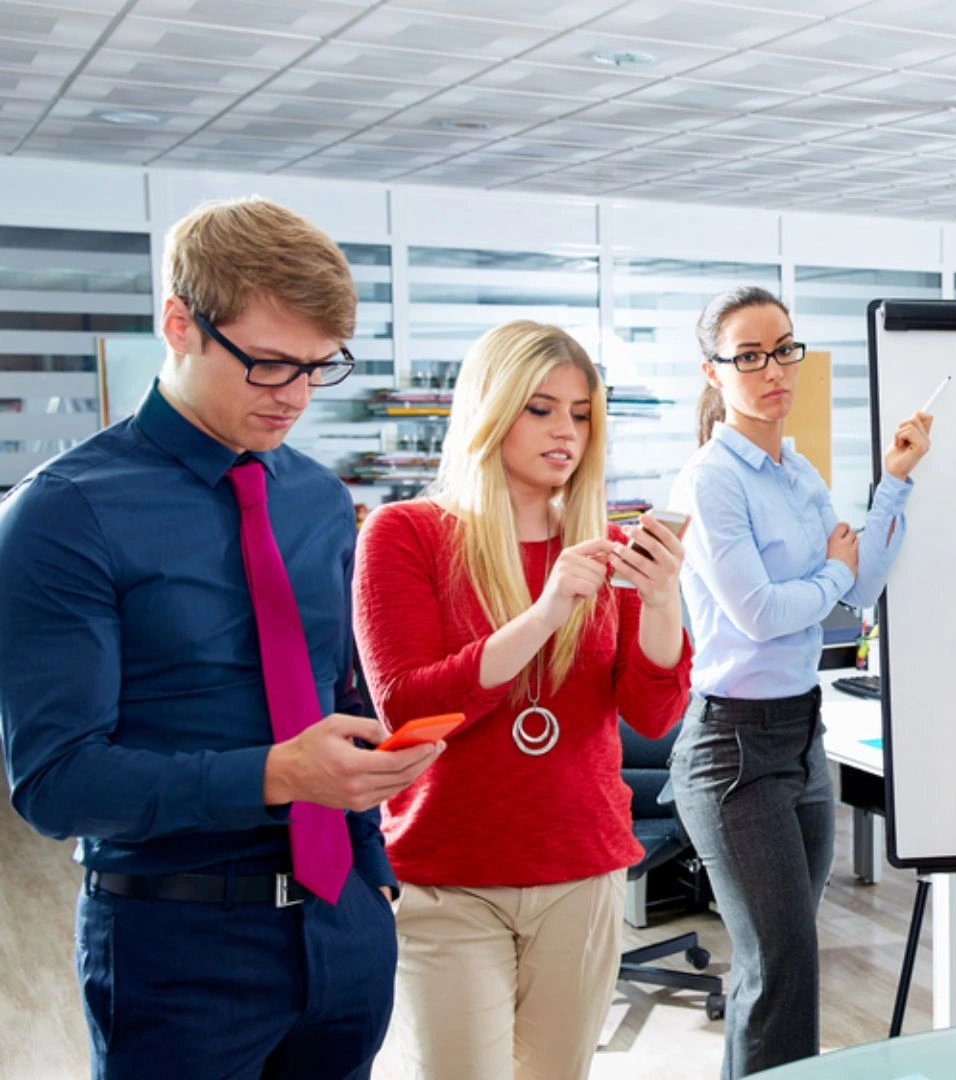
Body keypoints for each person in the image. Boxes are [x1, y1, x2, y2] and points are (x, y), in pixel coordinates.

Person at [0, 197, 438, 1079]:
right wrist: (277, 774)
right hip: (178, 950)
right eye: (270, 365)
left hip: (342, 931)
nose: (297, 398)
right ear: (179, 325)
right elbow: (54, 783)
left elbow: (335, 695)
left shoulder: (317, 497)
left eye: (321, 368)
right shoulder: (62, 515)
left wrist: (371, 868)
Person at [352, 320, 692, 1079]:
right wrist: (544, 612)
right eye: (540, 408)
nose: (564, 431)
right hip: (451, 873)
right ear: (491, 409)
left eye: (579, 413)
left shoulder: (604, 546)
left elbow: (655, 712)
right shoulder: (406, 535)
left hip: (580, 867)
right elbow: (407, 706)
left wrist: (663, 599)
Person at [669, 286, 932, 1077]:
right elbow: (759, 613)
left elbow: (856, 590)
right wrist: (833, 571)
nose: (774, 368)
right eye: (748, 356)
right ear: (714, 372)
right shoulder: (711, 480)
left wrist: (896, 481)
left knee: (780, 963)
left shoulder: (796, 470)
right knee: (780, 966)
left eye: (784, 348)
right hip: (732, 751)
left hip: (799, 733)